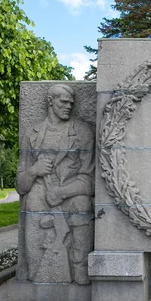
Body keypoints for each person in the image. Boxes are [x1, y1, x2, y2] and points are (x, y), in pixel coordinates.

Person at [16, 84, 94, 284]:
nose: (69, 106)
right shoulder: (32, 134)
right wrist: (34, 170)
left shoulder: (83, 133)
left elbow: (89, 180)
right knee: (32, 199)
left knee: (82, 204)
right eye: (64, 102)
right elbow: (20, 186)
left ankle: (80, 266)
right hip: (39, 193)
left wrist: (62, 192)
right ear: (50, 101)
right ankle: (37, 270)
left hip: (69, 193)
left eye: (71, 103)